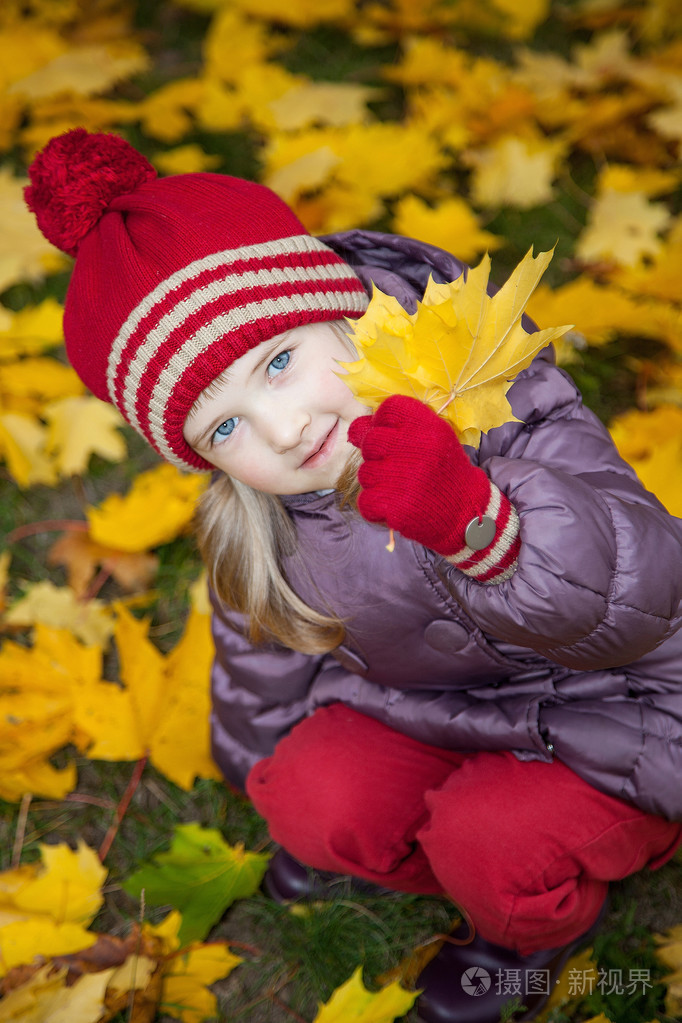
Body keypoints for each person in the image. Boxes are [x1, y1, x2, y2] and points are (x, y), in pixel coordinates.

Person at [26, 128, 682, 1023]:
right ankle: (449, 853)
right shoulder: (260, 517)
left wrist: (482, 522)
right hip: (438, 714)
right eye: (226, 429)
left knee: (488, 840)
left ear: (344, 309)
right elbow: (258, 664)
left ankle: (527, 932)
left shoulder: (490, 396)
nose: (285, 428)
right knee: (303, 794)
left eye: (281, 362)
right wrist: (279, 773)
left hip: (623, 706)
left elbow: (640, 596)